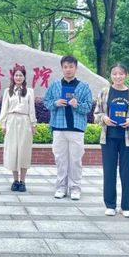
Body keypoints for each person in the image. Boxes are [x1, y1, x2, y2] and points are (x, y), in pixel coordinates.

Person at [43, 55, 93, 200]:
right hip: (59, 128)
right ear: (62, 68)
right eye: (65, 67)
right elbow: (46, 102)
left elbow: (88, 107)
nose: (68, 70)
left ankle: (75, 188)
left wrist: (77, 104)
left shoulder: (84, 87)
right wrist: (55, 103)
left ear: (76, 68)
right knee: (60, 160)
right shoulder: (55, 85)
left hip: (76, 129)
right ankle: (61, 187)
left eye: (71, 67)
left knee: (75, 161)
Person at [94, 63, 129, 217]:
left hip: (128, 139)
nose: (118, 77)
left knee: (127, 172)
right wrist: (103, 118)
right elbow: (96, 114)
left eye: (121, 74)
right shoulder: (105, 92)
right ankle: (110, 205)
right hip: (109, 138)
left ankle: (126, 206)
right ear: (110, 75)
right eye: (114, 74)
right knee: (109, 171)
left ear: (126, 75)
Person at [0, 65, 37, 192]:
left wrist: (33, 124)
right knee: (13, 151)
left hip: (25, 122)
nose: (18, 77)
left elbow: (32, 109)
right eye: (16, 75)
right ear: (13, 77)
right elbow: (4, 108)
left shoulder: (29, 91)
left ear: (24, 77)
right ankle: (15, 180)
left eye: (21, 75)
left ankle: (23, 181)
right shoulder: (8, 91)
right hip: (12, 121)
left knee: (24, 151)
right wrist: (3, 124)